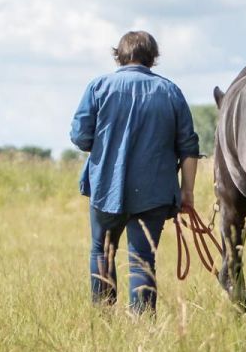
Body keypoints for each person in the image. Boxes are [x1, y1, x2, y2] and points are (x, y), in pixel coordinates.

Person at [69, 31, 200, 313]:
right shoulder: (171, 91)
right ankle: (142, 326)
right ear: (153, 58)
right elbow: (189, 146)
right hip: (155, 192)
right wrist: (187, 192)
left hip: (106, 186)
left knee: (102, 252)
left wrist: (107, 143)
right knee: (142, 258)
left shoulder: (99, 87)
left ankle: (103, 317)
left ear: (120, 55)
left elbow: (80, 137)